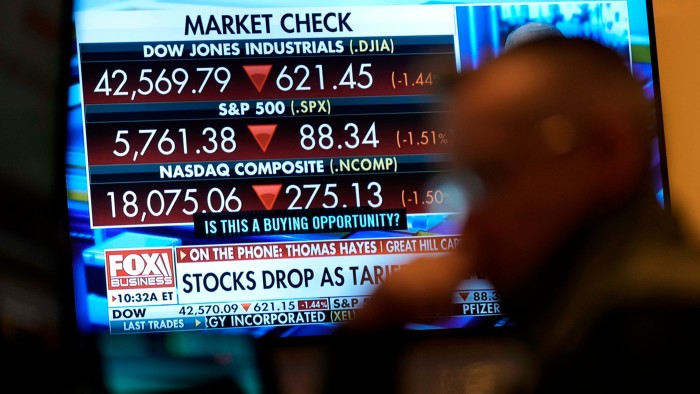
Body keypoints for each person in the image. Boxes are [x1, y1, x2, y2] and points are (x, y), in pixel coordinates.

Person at [320, 36, 700, 394]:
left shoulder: (645, 342)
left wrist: (368, 341)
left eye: (492, 177)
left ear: (608, 149)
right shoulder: (586, 329)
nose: (470, 225)